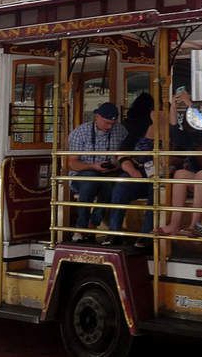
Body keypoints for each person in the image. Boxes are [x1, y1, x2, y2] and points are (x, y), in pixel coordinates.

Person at [158, 88, 202, 238]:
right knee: (180, 174)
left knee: (201, 175)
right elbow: (176, 135)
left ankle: (193, 226)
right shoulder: (194, 136)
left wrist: (189, 103)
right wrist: (173, 107)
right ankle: (174, 225)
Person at [65, 102, 128, 244]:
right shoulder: (80, 132)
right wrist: (93, 166)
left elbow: (126, 155)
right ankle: (82, 227)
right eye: (107, 123)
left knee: (112, 186)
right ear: (97, 117)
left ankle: (91, 224)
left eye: (112, 123)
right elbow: (72, 163)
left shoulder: (121, 131)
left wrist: (116, 165)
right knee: (90, 181)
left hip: (109, 174)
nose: (109, 127)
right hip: (82, 175)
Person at [109, 93, 156, 241]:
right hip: (139, 171)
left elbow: (180, 157)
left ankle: (146, 235)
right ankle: (114, 233)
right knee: (122, 184)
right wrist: (133, 171)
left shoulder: (172, 131)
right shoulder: (138, 129)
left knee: (157, 190)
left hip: (161, 174)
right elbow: (122, 154)